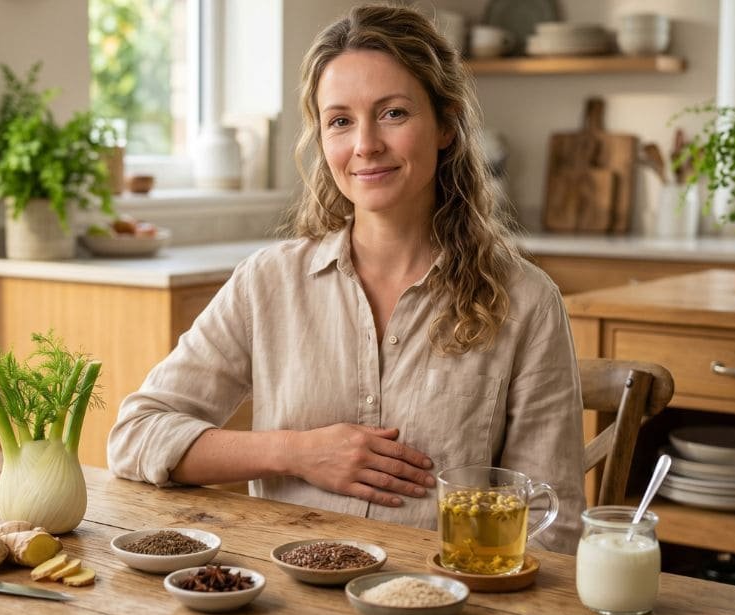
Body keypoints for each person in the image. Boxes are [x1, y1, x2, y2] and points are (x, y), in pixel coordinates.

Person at [108, 3, 585, 553]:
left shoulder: (526, 301)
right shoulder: (267, 283)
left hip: (444, 599)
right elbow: (135, 435)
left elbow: (552, 521)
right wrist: (295, 452)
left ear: (447, 125)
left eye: (393, 113)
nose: (365, 145)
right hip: (287, 596)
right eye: (340, 121)